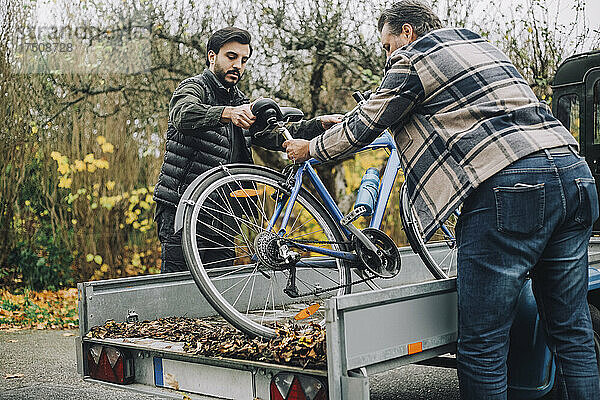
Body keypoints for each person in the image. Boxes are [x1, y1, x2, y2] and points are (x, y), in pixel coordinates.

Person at [282, 1, 600, 398]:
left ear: (407, 33)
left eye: (387, 45)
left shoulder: (413, 57)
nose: (387, 56)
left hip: (511, 187)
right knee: (571, 333)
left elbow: (369, 122)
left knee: (483, 344)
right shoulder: (482, 47)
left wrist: (311, 147)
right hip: (574, 177)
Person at [153, 27, 340, 273]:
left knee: (218, 290)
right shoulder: (193, 88)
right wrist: (226, 114)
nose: (238, 65)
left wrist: (318, 125)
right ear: (212, 56)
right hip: (183, 206)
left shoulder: (240, 101)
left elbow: (273, 135)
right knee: (177, 290)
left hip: (222, 210)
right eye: (231, 57)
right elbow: (182, 114)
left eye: (243, 60)